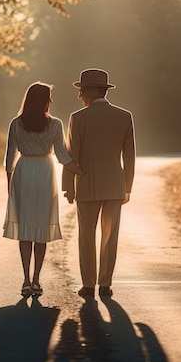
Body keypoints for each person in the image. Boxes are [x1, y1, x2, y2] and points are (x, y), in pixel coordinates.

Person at [3, 82, 82, 298]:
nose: (52, 101)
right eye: (49, 97)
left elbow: (10, 157)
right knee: (41, 229)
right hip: (45, 174)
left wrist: (10, 184)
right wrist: (81, 171)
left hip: (24, 172)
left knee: (25, 230)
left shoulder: (16, 123)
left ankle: (26, 280)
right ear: (44, 101)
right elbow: (63, 156)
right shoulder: (55, 124)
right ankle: (37, 279)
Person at [62, 68, 135, 299]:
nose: (79, 95)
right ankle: (105, 284)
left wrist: (68, 186)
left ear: (94, 90)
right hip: (115, 186)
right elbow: (130, 156)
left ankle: (89, 285)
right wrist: (128, 186)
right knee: (109, 236)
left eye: (82, 90)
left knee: (86, 237)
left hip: (86, 185)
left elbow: (71, 156)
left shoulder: (77, 118)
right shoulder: (124, 117)